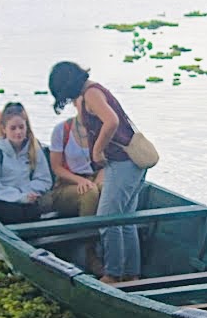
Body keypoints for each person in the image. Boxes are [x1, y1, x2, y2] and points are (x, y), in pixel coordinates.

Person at [48, 62, 146, 283]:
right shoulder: (94, 90)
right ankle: (131, 273)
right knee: (125, 219)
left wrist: (97, 150)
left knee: (106, 218)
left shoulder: (91, 93)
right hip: (132, 163)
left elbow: (111, 121)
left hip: (122, 163)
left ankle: (112, 274)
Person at [0, 102, 52, 224]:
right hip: (0, 199)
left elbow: (44, 179)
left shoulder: (34, 147)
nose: (18, 132)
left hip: (28, 197)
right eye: (13, 128)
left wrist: (28, 192)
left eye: (21, 127)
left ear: (26, 127)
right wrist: (18, 197)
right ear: (4, 129)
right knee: (14, 214)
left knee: (33, 212)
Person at [49, 95, 103, 218]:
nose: (88, 107)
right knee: (89, 192)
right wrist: (80, 181)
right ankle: (86, 234)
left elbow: (107, 163)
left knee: (105, 189)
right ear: (74, 102)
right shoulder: (61, 130)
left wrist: (99, 181)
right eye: (83, 102)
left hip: (95, 178)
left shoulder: (102, 129)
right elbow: (56, 167)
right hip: (67, 185)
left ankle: (109, 231)